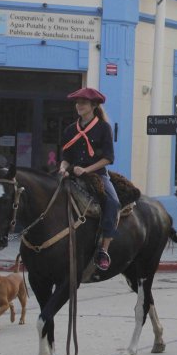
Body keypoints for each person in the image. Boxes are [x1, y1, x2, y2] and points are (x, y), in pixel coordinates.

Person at [58, 87, 119, 271]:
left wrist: (86, 170)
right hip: (73, 176)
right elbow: (66, 156)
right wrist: (63, 169)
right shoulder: (70, 129)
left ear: (93, 105)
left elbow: (108, 158)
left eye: (83, 103)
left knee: (113, 202)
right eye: (77, 103)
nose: (79, 106)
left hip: (97, 175)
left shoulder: (103, 128)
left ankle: (104, 250)